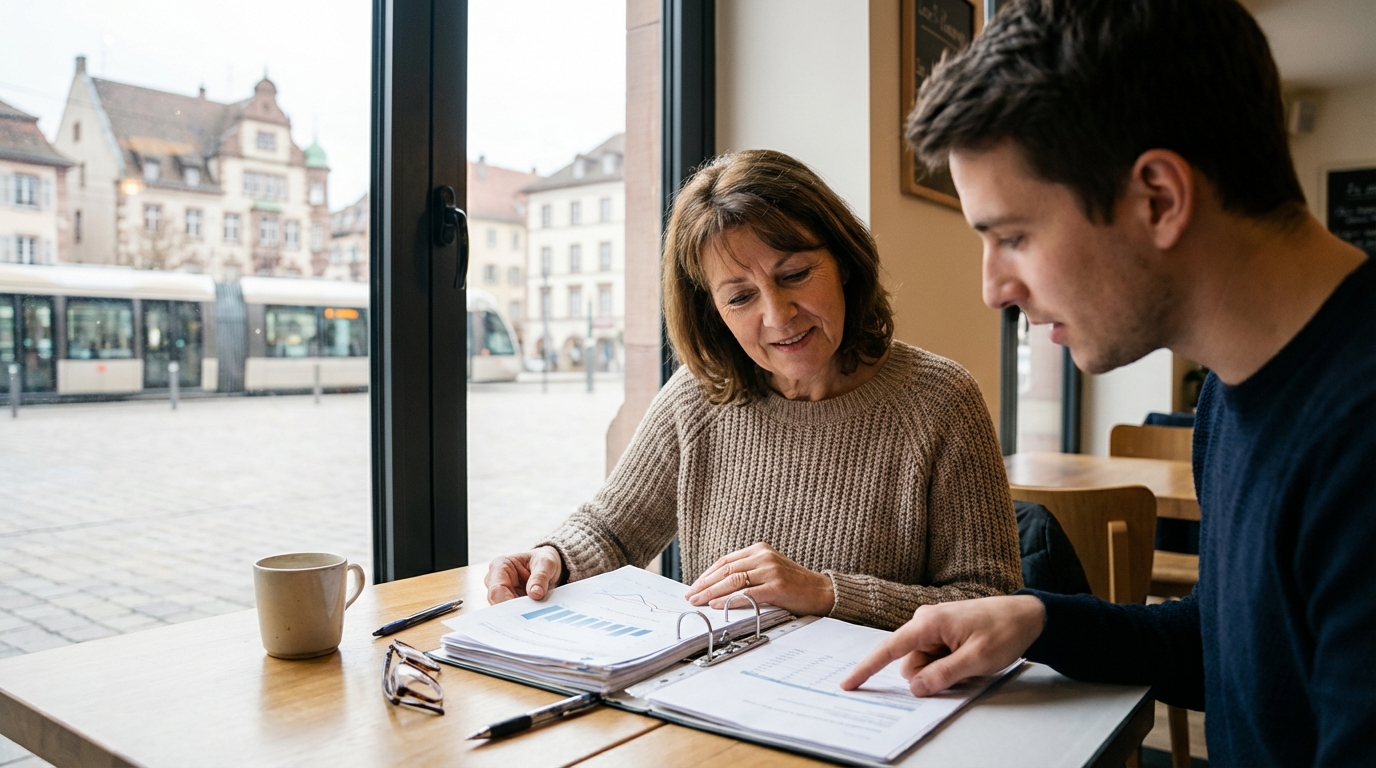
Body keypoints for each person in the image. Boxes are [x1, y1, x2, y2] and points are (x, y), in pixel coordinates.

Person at [840, 0, 1375, 764]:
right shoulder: (1230, 392)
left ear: (1157, 198)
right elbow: (1232, 645)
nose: (993, 289)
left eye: (1013, 236)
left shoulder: (1358, 435)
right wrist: (1036, 620)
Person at [484, 149, 1023, 630]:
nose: (778, 315)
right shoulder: (697, 398)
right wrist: (552, 556)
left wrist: (826, 593)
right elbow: (611, 530)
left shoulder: (942, 401)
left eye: (794, 275)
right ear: (714, 313)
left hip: (878, 715)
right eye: (740, 298)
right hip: (714, 709)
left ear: (844, 265)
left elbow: (991, 601)